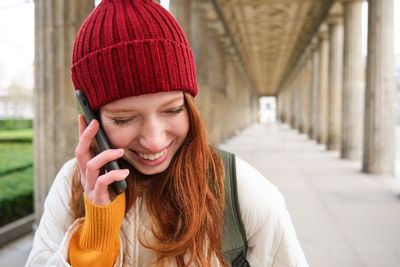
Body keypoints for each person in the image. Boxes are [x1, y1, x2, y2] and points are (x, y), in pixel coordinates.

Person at [25, 0, 309, 266]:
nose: (154, 140)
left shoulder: (243, 191)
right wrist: (95, 242)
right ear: (90, 120)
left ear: (190, 106)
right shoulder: (70, 186)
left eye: (172, 110)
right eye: (124, 120)